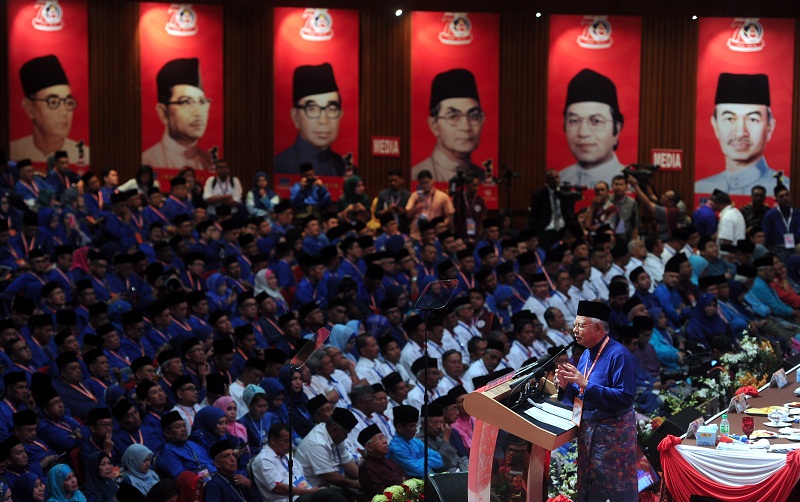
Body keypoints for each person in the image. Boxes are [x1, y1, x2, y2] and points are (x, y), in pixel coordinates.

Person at [555, 300, 637, 501]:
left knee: (615, 487)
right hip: (588, 430)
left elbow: (625, 398)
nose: (575, 330)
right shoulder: (585, 354)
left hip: (612, 434)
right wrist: (565, 386)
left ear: (598, 328)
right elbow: (582, 394)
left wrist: (585, 384)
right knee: (589, 485)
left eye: (580, 326)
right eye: (574, 325)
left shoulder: (619, 354)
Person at [696, 73, 786, 195]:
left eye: (752, 119)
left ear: (769, 128)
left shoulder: (782, 189)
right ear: (715, 125)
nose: (740, 133)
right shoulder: (702, 188)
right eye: (729, 119)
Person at [11, 55, 89, 164]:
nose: (64, 112)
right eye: (53, 102)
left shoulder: (83, 154)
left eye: (68, 102)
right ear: (29, 108)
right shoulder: (15, 150)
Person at [411, 69, 486, 182]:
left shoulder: (485, 179)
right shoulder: (416, 176)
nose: (466, 127)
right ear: (434, 125)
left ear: (482, 120)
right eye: (453, 116)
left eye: (474, 116)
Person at [275, 63, 346, 176]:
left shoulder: (345, 168)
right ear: (295, 116)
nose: (323, 120)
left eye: (331, 109)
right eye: (312, 109)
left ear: (341, 114)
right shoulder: (280, 166)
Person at [141, 58, 213, 170]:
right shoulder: (148, 160)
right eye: (186, 102)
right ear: (163, 113)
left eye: (202, 102)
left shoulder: (210, 163)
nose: (198, 112)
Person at [559, 69, 626, 187]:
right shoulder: (560, 179)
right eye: (574, 121)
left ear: (616, 130)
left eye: (595, 121)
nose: (583, 133)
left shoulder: (629, 183)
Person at [294, 408, 360, 489]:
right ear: (334, 429)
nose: (346, 437)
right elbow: (330, 476)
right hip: (312, 489)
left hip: (330, 484)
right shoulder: (317, 443)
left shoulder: (334, 434)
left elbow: (346, 462)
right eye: (345, 434)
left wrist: (363, 479)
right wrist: (357, 484)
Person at [387, 405, 443, 478]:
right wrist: (426, 461)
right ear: (399, 427)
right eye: (411, 426)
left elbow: (439, 460)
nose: (415, 430)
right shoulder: (396, 448)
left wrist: (417, 461)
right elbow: (421, 471)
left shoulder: (415, 442)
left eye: (415, 426)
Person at [357, 424, 407, 499]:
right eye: (379, 439)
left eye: (384, 437)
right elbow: (382, 495)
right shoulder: (367, 469)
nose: (384, 441)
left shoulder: (390, 462)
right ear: (369, 447)